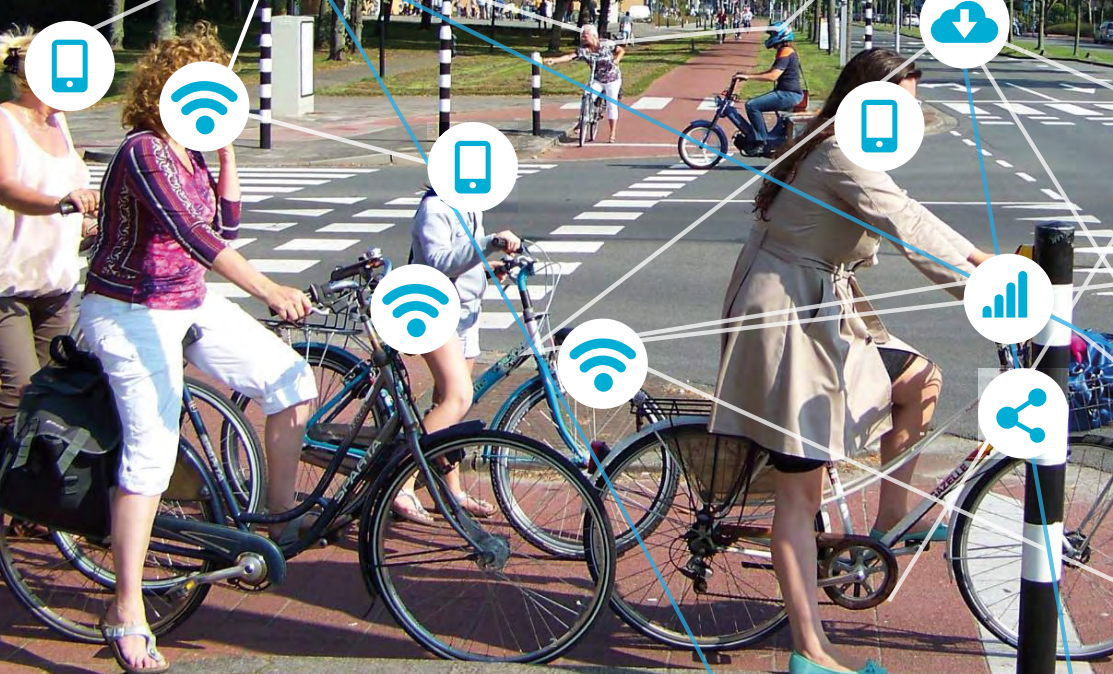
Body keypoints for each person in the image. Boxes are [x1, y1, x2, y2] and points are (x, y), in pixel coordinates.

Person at [709, 48, 993, 674]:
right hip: (783, 323)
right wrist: (991, 285)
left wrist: (986, 267)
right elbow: (905, 226)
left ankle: (894, 522)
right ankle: (809, 652)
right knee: (799, 494)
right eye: (900, 107)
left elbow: (907, 212)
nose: (908, 121)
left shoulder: (839, 141)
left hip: (817, 306)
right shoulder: (840, 153)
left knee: (919, 378)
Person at [77, 23, 319, 673]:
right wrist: (268, 287)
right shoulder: (146, 152)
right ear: (167, 91)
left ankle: (273, 526)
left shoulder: (191, 154)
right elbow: (195, 237)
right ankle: (125, 609)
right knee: (151, 452)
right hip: (128, 310)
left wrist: (227, 152)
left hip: (184, 301)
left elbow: (226, 223)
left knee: (291, 382)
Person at [393, 187, 521, 524]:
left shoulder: (469, 207)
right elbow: (437, 263)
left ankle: (452, 491)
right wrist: (490, 242)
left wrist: (487, 270)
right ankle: (399, 484)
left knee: (448, 406)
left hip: (466, 313)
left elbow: (463, 258)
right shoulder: (434, 208)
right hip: (431, 309)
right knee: (457, 398)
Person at [0, 28, 99, 431]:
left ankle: (34, 492)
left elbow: (68, 187)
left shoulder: (60, 125)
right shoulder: (5, 120)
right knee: (18, 395)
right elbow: (6, 187)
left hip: (55, 282)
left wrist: (84, 222)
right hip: (8, 283)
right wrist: (60, 205)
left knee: (55, 397)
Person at [544, 24, 625, 143]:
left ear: (593, 36)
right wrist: (554, 60)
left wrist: (617, 59)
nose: (583, 38)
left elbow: (621, 51)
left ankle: (612, 133)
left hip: (612, 78)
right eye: (582, 36)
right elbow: (570, 56)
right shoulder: (583, 49)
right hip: (597, 79)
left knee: (611, 105)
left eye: (585, 35)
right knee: (587, 95)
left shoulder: (606, 44)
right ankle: (584, 119)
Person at [734, 22, 804, 157]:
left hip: (788, 94)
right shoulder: (785, 50)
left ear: (781, 34)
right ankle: (763, 139)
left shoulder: (786, 52)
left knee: (752, 105)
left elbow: (773, 76)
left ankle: (762, 142)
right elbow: (773, 71)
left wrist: (748, 77)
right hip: (787, 93)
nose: (771, 37)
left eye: (772, 34)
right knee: (755, 104)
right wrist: (747, 75)